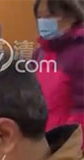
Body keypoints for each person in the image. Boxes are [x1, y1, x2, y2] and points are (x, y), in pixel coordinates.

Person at [33, 0, 84, 142]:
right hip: (44, 140)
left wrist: (69, 143)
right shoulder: (40, 53)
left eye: (49, 16)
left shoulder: (80, 52)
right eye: (39, 17)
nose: (43, 22)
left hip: (70, 144)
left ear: (71, 16)